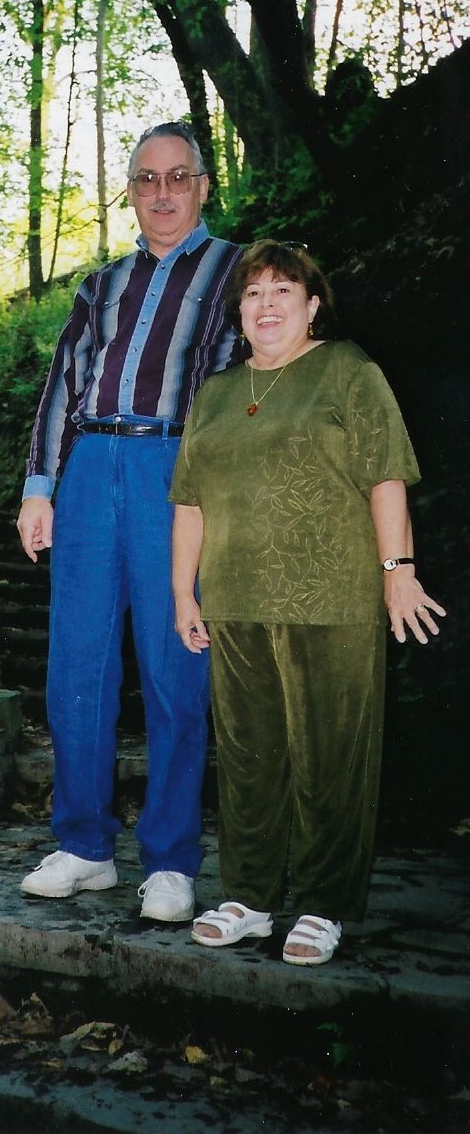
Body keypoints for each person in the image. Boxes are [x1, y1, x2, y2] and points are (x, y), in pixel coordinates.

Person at [170, 240, 446, 965]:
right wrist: (181, 591)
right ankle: (250, 896)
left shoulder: (346, 371)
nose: (266, 305)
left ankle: (324, 905)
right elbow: (190, 502)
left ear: (311, 305)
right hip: (234, 601)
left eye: (282, 292)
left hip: (332, 596)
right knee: (249, 755)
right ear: (237, 310)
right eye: (253, 293)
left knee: (330, 755)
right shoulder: (217, 393)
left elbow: (385, 476)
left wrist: (399, 571)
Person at [17, 122, 242, 922]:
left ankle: (171, 860)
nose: (162, 193)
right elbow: (59, 385)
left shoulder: (235, 272)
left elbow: (243, 384)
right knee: (75, 665)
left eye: (178, 177)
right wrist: (40, 485)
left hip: (173, 473)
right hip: (86, 473)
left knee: (175, 663)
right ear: (129, 192)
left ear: (204, 186)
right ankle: (82, 845)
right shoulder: (99, 284)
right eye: (146, 179)